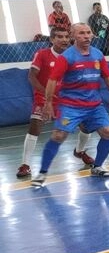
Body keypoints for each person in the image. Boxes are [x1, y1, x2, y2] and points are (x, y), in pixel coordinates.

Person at [32, 22, 109, 184]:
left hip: (94, 106)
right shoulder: (67, 57)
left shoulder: (98, 54)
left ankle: (97, 167)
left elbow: (107, 76)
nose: (86, 36)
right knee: (58, 135)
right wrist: (48, 103)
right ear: (73, 36)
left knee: (108, 132)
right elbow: (52, 80)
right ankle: (42, 173)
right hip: (70, 106)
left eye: (88, 32)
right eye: (81, 33)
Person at [17, 26, 74, 179]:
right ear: (52, 39)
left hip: (65, 98)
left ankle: (80, 151)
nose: (64, 40)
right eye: (59, 37)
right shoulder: (42, 54)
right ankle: (25, 165)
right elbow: (31, 76)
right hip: (43, 97)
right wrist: (46, 94)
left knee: (86, 125)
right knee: (35, 126)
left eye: (66, 36)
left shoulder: (71, 56)